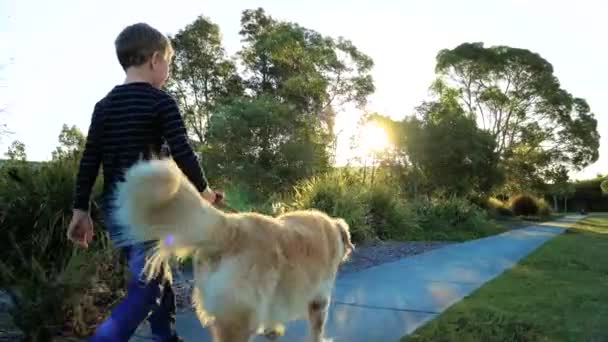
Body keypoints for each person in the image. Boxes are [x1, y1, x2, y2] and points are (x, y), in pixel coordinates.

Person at [66, 22, 218, 341]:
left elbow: (90, 159)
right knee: (146, 288)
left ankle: (166, 336)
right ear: (154, 60)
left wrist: (80, 210)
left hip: (116, 211)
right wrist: (204, 191)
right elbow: (183, 151)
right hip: (150, 209)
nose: (168, 71)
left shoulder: (104, 106)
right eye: (169, 63)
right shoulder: (160, 102)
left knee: (156, 277)